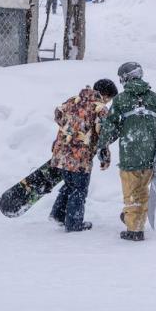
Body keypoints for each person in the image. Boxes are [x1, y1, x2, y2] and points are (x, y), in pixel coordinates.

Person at [97, 61, 156, 241]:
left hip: (130, 155)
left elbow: (111, 125)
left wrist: (103, 145)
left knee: (131, 193)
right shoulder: (154, 98)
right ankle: (135, 219)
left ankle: (134, 230)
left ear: (126, 78)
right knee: (142, 191)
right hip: (150, 155)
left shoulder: (120, 100)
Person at [48, 78, 118, 232]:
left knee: (69, 185)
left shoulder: (74, 100)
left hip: (61, 154)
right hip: (80, 158)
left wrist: (70, 131)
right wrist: (105, 156)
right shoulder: (100, 109)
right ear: (105, 95)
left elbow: (58, 113)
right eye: (109, 99)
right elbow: (104, 135)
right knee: (79, 190)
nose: (107, 103)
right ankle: (74, 223)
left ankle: (58, 214)